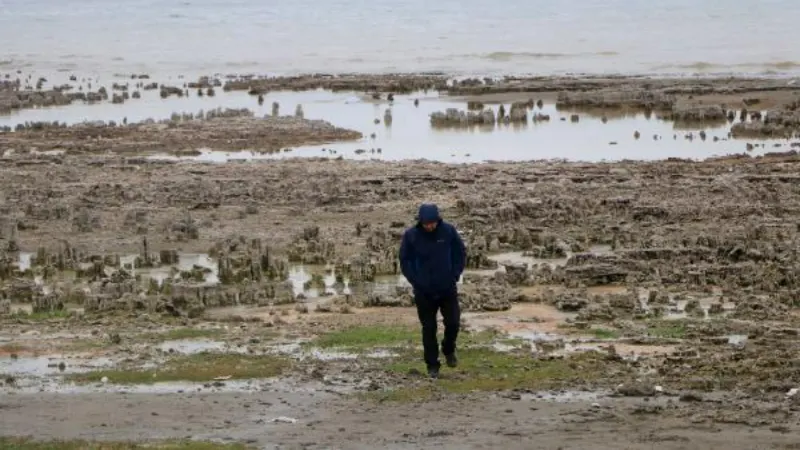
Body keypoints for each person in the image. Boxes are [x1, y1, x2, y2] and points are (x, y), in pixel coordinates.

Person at [399, 203, 466, 378]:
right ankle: (432, 365)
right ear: (420, 222)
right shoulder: (411, 236)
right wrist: (415, 280)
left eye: (433, 222)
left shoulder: (448, 231)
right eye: (426, 223)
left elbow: (460, 253)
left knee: (453, 323)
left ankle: (448, 349)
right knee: (429, 328)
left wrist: (455, 274)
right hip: (423, 292)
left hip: (447, 288)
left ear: (438, 220)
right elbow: (404, 260)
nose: (430, 226)